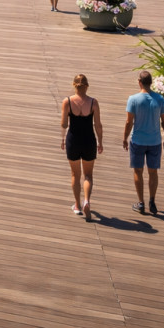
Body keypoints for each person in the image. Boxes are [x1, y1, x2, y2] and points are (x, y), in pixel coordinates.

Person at [124, 71, 164, 215]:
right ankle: (152, 201)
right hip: (155, 141)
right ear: (151, 82)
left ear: (139, 82)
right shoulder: (159, 99)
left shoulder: (133, 99)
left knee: (138, 171)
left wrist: (124, 138)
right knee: (153, 172)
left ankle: (141, 203)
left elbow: (129, 121)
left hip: (138, 140)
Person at [61, 74, 103, 221]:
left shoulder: (67, 101)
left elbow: (64, 124)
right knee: (88, 175)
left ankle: (77, 205)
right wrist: (100, 142)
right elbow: (98, 125)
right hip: (89, 141)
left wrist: (62, 138)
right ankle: (87, 201)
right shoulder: (93, 103)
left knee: (75, 174)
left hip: (73, 140)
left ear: (74, 85)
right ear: (87, 86)